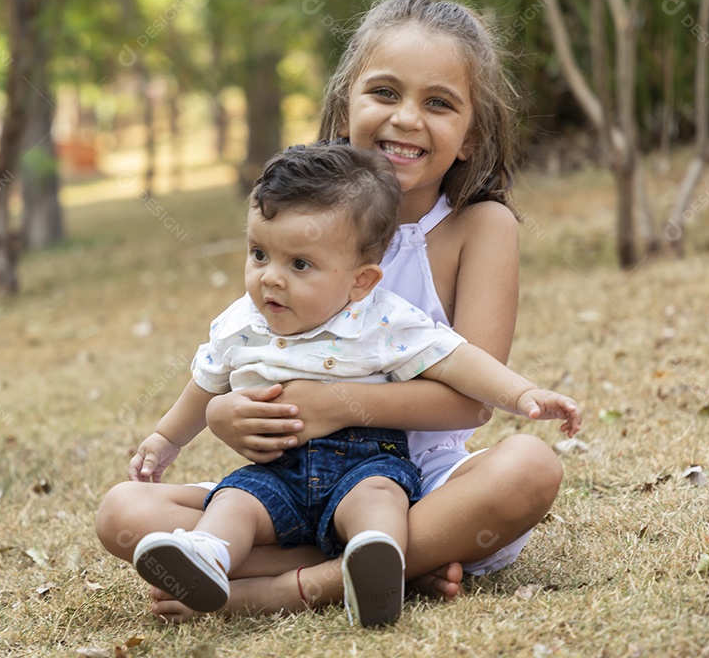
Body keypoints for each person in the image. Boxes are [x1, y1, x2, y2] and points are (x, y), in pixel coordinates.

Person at [97, 0, 566, 622]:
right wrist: (230, 413)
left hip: (426, 485)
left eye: (438, 102)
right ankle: (394, 564)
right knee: (123, 514)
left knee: (530, 468)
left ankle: (285, 589)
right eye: (384, 93)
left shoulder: (478, 227)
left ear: (471, 135)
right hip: (287, 485)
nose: (406, 119)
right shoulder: (304, 222)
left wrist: (325, 406)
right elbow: (247, 347)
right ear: (346, 106)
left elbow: (470, 399)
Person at [127, 143, 581, 628]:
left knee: (379, 499)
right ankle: (209, 558)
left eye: (299, 265)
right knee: (222, 503)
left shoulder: (379, 317)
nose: (270, 280)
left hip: (365, 466)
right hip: (275, 477)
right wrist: (166, 438)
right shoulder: (241, 321)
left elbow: (455, 360)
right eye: (259, 254)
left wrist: (521, 393)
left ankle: (363, 567)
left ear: (361, 281)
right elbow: (205, 384)